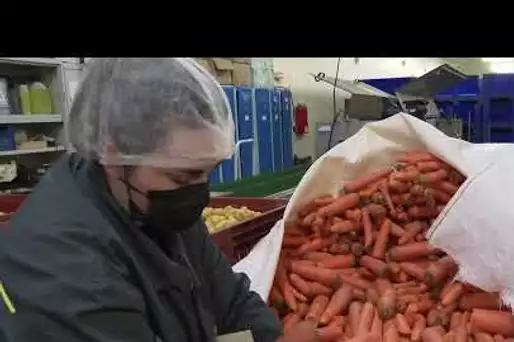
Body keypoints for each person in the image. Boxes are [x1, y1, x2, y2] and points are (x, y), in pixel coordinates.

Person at [0, 58, 316, 342]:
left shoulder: (151, 202)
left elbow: (228, 296)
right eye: (182, 176)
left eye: (208, 171)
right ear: (114, 156)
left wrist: (269, 336)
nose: (200, 191)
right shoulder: (64, 271)